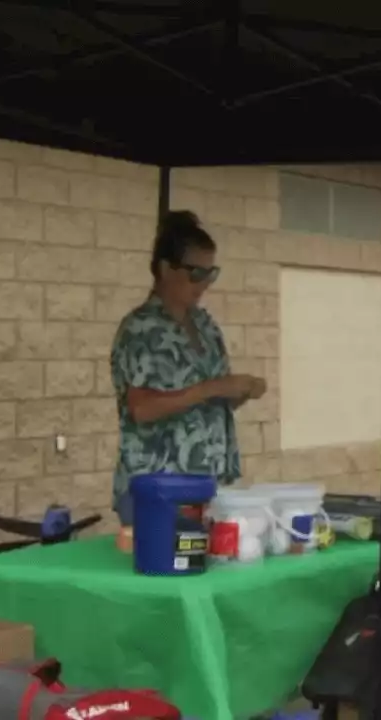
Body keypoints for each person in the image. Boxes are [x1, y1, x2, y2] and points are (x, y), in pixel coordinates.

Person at [109, 210, 266, 540]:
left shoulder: (205, 325)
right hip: (159, 487)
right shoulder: (141, 329)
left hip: (207, 484)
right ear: (166, 269)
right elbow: (142, 409)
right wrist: (210, 388)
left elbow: (207, 403)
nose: (204, 284)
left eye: (211, 274)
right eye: (195, 273)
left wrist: (237, 392)